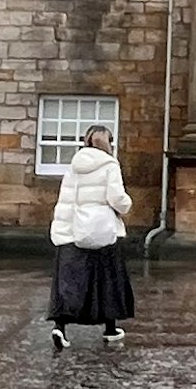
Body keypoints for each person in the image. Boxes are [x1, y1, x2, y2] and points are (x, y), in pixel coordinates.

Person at [47, 119, 134, 347]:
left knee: (69, 282)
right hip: (101, 232)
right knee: (107, 280)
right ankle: (110, 328)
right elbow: (117, 199)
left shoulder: (74, 165)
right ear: (108, 143)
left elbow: (65, 199)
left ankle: (60, 328)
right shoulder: (109, 165)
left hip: (72, 233)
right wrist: (127, 205)